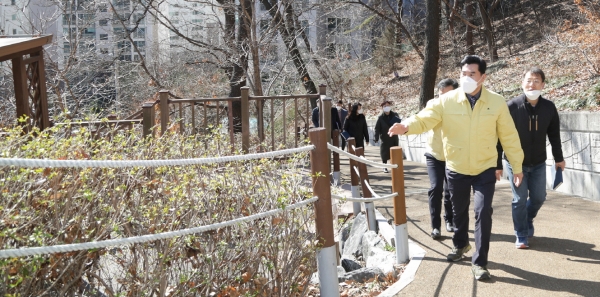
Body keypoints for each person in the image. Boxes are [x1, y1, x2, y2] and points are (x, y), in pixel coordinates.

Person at [387, 55, 524, 281]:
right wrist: (407, 126)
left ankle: (479, 262)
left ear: (483, 77)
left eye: (472, 74)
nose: (467, 77)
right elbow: (425, 118)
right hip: (456, 167)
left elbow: (509, 136)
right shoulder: (446, 100)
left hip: (485, 168)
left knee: (483, 212)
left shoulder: (496, 101)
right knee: (459, 212)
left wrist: (516, 166)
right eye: (463, 73)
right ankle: (460, 245)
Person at [497, 67, 565, 249]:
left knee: (539, 197)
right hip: (514, 163)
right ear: (522, 83)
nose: (532, 84)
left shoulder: (549, 107)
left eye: (536, 81)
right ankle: (521, 233)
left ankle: (527, 218)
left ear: (543, 84)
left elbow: (554, 135)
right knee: (519, 199)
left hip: (538, 163)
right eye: (528, 80)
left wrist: (559, 158)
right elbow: (499, 136)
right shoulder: (511, 106)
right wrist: (497, 164)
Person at [426, 78, 459, 240]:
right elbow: (423, 120)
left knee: (450, 190)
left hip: (452, 155)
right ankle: (435, 226)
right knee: (436, 187)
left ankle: (449, 220)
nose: (443, 98)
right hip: (434, 154)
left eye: (448, 95)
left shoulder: (462, 107)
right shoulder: (432, 105)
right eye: (441, 95)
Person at [373, 100, 401, 173]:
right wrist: (376, 137)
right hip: (385, 137)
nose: (386, 107)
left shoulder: (395, 115)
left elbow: (399, 123)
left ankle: (395, 166)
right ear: (382, 108)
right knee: (384, 152)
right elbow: (377, 128)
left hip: (394, 136)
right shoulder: (380, 118)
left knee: (395, 152)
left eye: (388, 106)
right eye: (385, 106)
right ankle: (384, 166)